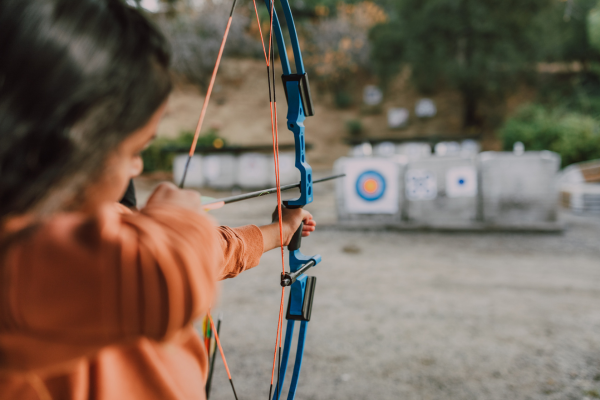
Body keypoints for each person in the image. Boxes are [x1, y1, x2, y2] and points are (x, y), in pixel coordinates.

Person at [0, 0, 316, 399]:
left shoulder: (105, 236)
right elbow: (171, 268)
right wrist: (176, 211)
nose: (135, 170)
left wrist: (280, 231)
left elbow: (210, 250)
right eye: (134, 151)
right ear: (69, 144)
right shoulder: (20, 257)